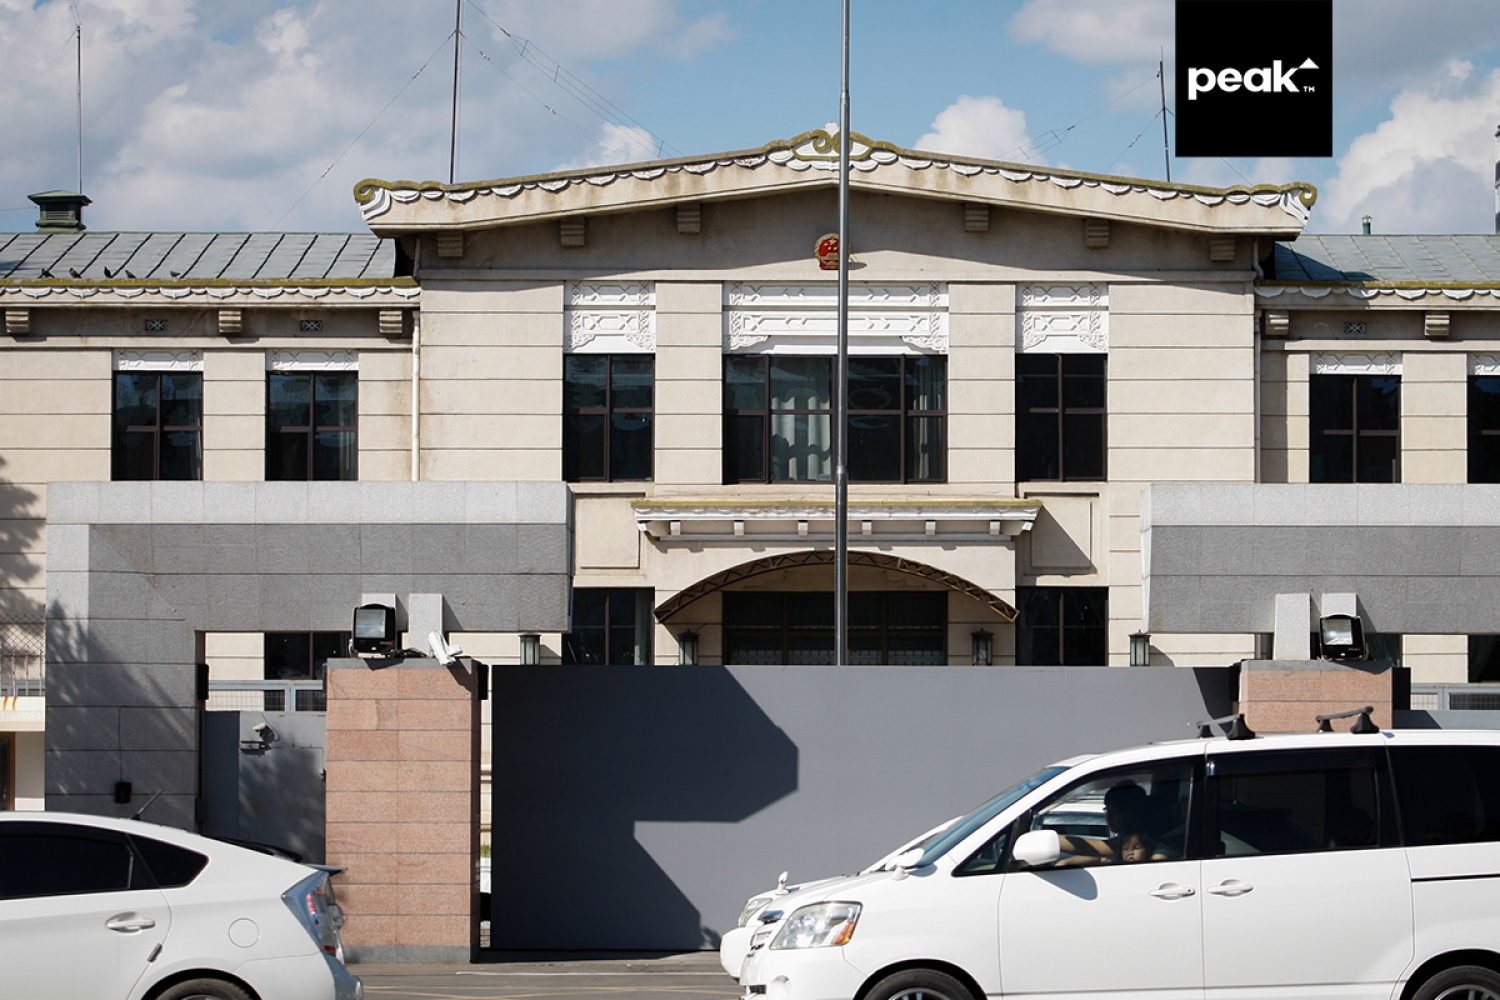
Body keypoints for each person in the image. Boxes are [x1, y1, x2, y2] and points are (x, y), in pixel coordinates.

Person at [1054, 781, 1166, 865]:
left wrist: (1046, 838)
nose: (1109, 817)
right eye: (1108, 810)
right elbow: (1101, 855)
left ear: (1134, 812)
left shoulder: (1151, 842)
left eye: (1116, 811)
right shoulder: (1127, 837)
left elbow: (1085, 847)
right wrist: (1065, 862)